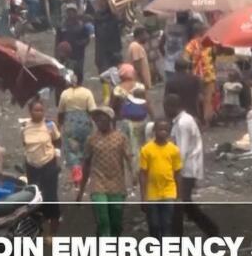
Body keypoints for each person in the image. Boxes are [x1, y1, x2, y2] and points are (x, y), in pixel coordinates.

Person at [165, 94, 220, 250]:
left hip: (186, 168)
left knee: (179, 203)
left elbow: (180, 152)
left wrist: (174, 171)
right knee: (185, 202)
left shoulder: (182, 124)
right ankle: (210, 229)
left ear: (172, 107)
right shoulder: (184, 121)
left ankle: (177, 239)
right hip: (189, 167)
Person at [76, 106, 132, 238]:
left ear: (110, 120)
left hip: (117, 184)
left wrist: (133, 175)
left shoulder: (121, 138)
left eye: (102, 119)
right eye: (97, 120)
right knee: (103, 218)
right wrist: (81, 190)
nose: (99, 122)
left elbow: (129, 158)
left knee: (116, 220)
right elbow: (86, 164)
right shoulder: (92, 139)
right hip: (98, 183)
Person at [21, 99, 61, 242]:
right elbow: (25, 144)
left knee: (50, 197)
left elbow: (57, 141)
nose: (38, 113)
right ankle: (36, 230)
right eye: (35, 110)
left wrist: (55, 154)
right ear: (30, 111)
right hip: (32, 167)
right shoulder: (25, 127)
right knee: (34, 198)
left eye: (41, 110)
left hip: (48, 165)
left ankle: (52, 233)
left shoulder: (49, 125)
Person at [140, 118, 182, 239]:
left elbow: (178, 173)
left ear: (169, 131)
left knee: (167, 222)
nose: (162, 132)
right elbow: (143, 173)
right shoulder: (146, 149)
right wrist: (143, 197)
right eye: (160, 129)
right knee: (154, 223)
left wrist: (179, 196)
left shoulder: (174, 150)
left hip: (169, 190)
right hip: (152, 192)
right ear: (154, 131)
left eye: (165, 129)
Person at [58, 75, 96, 180]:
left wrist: (59, 124)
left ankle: (76, 170)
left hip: (69, 123)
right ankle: (85, 171)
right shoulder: (87, 92)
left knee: (71, 149)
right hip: (85, 123)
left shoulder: (65, 94)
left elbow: (61, 112)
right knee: (85, 147)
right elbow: (92, 110)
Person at [184, 22, 217, 126]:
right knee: (208, 99)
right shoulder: (209, 42)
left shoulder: (190, 45)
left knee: (197, 98)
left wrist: (193, 62)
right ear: (201, 31)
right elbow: (214, 56)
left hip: (196, 75)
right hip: (209, 73)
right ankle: (207, 121)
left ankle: (199, 120)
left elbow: (185, 59)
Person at [56, 4, 91, 83]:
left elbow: (87, 39)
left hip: (78, 55)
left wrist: (79, 44)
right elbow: (58, 40)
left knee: (78, 74)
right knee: (66, 75)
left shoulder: (81, 25)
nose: (71, 13)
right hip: (65, 55)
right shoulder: (62, 26)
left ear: (76, 13)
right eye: (69, 11)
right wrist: (57, 54)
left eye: (73, 11)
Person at [166, 59, 203, 124]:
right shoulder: (195, 80)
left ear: (175, 68)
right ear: (187, 67)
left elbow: (167, 100)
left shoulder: (170, 81)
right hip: (193, 114)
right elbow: (200, 98)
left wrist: (168, 116)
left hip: (177, 115)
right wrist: (201, 116)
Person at [93, 0, 123, 75]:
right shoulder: (97, 17)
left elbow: (121, 21)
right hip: (102, 52)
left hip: (114, 50)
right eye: (100, 2)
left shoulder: (114, 17)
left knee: (117, 74)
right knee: (104, 76)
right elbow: (99, 36)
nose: (102, 4)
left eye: (104, 2)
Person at [162, 12, 192, 82]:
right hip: (182, 66)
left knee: (171, 88)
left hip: (168, 66)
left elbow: (160, 45)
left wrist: (167, 57)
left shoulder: (168, 28)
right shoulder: (187, 30)